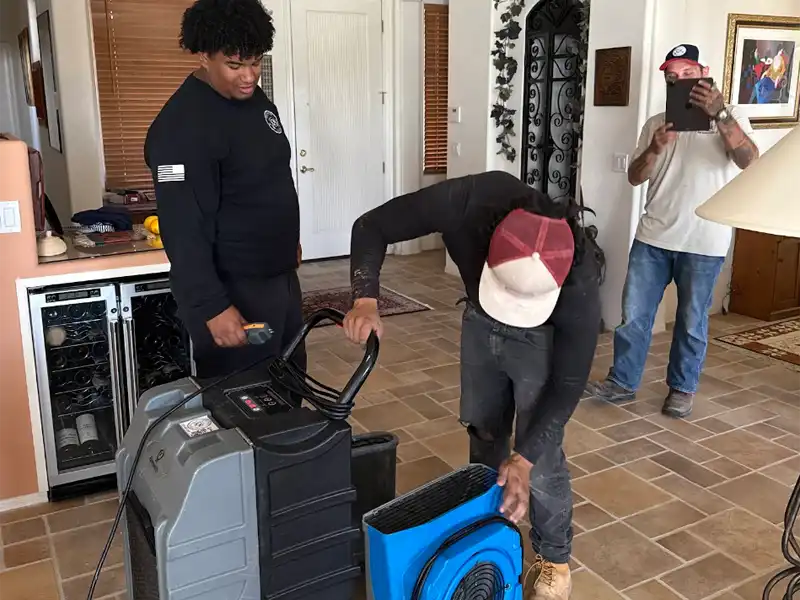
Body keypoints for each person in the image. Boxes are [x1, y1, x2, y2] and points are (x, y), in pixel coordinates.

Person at [343, 171, 602, 600]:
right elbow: (372, 225)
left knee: (542, 456)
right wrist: (365, 297)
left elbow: (569, 383)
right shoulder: (466, 202)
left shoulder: (578, 275)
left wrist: (524, 458)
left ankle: (554, 558)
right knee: (484, 432)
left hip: (542, 340)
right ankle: (486, 527)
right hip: (480, 321)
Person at [588, 44, 759, 417]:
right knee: (634, 316)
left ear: (704, 72)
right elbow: (635, 177)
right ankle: (622, 382)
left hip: (705, 240)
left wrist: (721, 115)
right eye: (672, 77)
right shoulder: (656, 122)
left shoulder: (732, 119)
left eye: (687, 73)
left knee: (691, 321)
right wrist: (653, 147)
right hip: (653, 236)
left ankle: (682, 389)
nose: (679, 81)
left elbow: (749, 161)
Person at [144, 0, 305, 379]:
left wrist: (288, 241)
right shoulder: (180, 127)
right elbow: (182, 225)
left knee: (290, 389)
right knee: (245, 407)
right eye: (234, 65)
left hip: (278, 277)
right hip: (233, 288)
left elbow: (268, 175)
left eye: (255, 62)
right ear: (203, 56)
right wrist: (211, 306)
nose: (249, 76)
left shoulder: (253, 100)